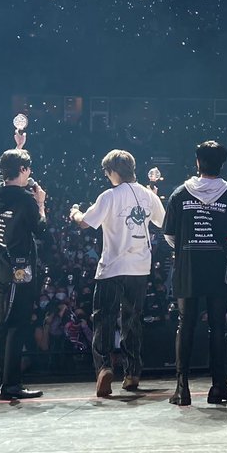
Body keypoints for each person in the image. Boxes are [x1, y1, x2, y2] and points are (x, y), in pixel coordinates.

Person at [69, 149, 165, 397]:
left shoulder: (109, 196)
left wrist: (75, 212)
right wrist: (152, 199)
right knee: (132, 320)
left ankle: (103, 369)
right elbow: (163, 222)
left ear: (113, 171)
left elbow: (84, 222)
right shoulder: (147, 195)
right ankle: (132, 373)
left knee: (104, 318)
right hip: (140, 268)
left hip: (112, 268)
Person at [162, 141, 227, 407]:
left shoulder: (179, 194)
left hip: (188, 266)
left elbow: (169, 234)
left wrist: (189, 249)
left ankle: (181, 389)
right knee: (218, 327)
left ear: (198, 162)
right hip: (217, 266)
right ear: (222, 164)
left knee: (185, 324)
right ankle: (218, 386)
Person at [0, 141, 47, 400]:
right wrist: (42, 204)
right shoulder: (26, 200)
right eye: (28, 169)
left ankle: (2, 382)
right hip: (19, 271)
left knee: (3, 325)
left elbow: (5, 175)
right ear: (22, 169)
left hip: (0, 267)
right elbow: (41, 230)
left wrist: (17, 146)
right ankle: (11, 385)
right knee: (16, 326)